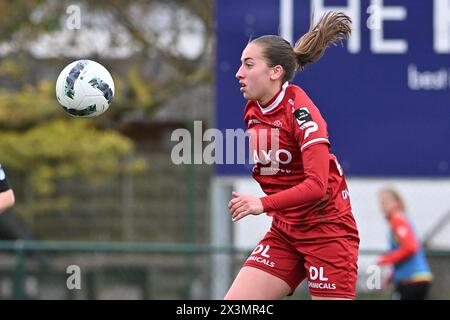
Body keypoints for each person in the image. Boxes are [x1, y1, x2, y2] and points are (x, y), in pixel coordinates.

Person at [225, 11, 360, 300]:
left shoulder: (302, 114)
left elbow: (316, 186)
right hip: (285, 232)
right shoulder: (254, 109)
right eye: (240, 64)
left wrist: (262, 203)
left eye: (249, 64)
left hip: (327, 232)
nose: (239, 72)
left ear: (276, 72)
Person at [377, 188, 433, 300]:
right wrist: (391, 277)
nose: (382, 206)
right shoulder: (398, 221)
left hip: (413, 280)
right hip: (413, 280)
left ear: (397, 202)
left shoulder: (398, 220)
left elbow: (410, 247)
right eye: (381, 202)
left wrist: (386, 259)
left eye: (385, 202)